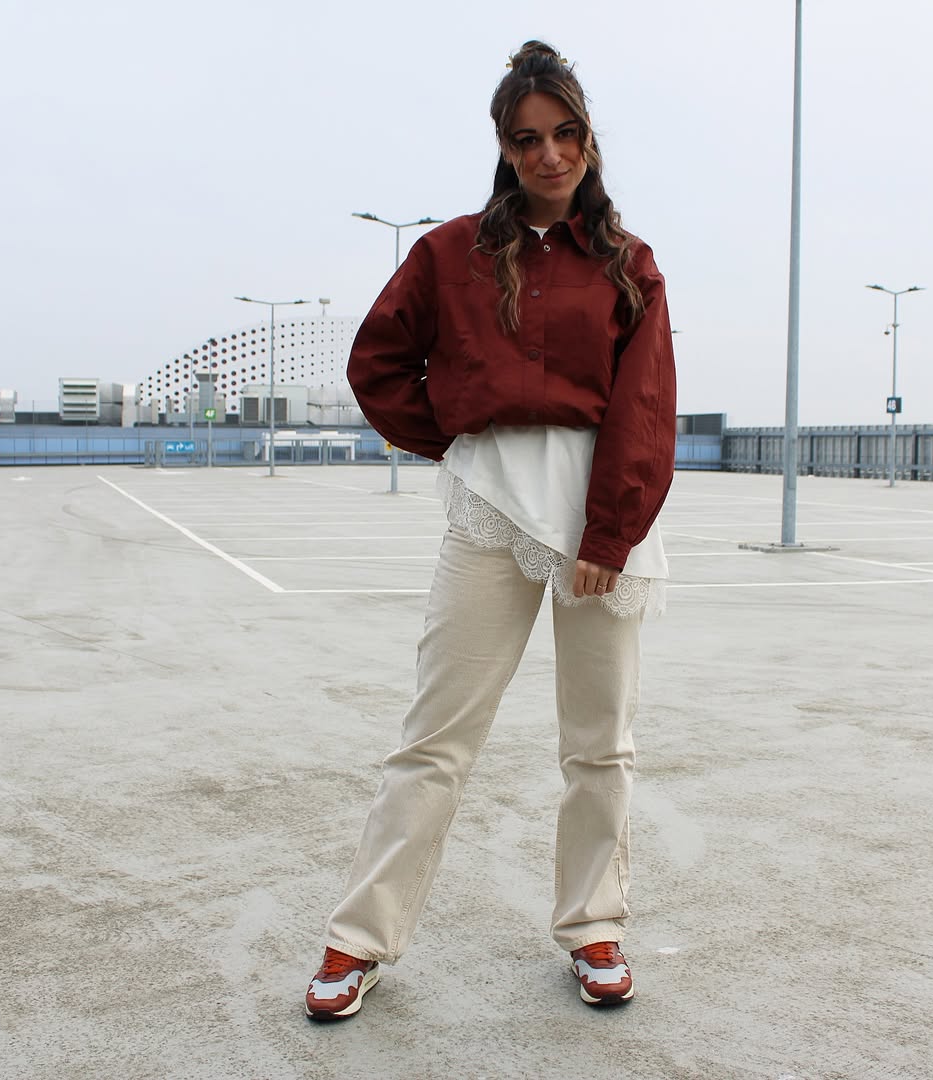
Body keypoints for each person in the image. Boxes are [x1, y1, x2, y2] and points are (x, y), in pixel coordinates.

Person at [305, 39, 676, 1019]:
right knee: (436, 736)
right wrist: (458, 440)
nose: (549, 154)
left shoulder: (629, 264)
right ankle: (358, 939)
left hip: (599, 510)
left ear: (588, 139)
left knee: (600, 741)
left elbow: (646, 404)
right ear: (505, 149)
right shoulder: (450, 253)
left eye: (565, 134)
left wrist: (609, 532)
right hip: (490, 505)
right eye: (527, 139)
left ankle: (594, 926)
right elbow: (377, 364)